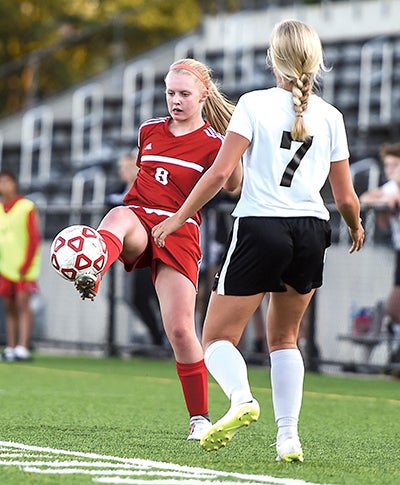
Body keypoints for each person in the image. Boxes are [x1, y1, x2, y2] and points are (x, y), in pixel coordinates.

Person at [152, 19, 365, 462]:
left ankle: (242, 398)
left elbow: (219, 174)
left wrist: (177, 218)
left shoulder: (254, 104)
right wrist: (356, 225)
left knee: (215, 339)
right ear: (316, 59)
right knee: (286, 339)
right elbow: (345, 196)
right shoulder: (331, 116)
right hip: (311, 229)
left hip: (260, 226)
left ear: (273, 58)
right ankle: (288, 438)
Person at [72, 58, 240, 440]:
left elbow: (232, 186)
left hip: (179, 229)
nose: (175, 101)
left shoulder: (215, 141)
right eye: (170, 93)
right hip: (140, 219)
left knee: (181, 330)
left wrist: (236, 142)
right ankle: (91, 269)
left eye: (184, 94)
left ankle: (199, 417)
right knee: (119, 213)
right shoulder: (149, 130)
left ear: (203, 95)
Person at [107, 151, 164, 347]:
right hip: (132, 252)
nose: (125, 170)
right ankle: (158, 337)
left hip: (154, 249)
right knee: (136, 297)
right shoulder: (117, 191)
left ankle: (166, 338)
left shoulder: (149, 188)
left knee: (159, 296)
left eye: (129, 165)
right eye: (122, 167)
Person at [360, 143, 400, 363]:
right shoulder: (391, 188)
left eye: (395, 165)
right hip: (398, 252)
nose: (390, 170)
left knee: (394, 307)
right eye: (387, 166)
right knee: (394, 310)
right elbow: (365, 198)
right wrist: (386, 201)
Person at [0, 170, 41, 362]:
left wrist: (26, 263)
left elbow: (34, 237)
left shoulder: (26, 207)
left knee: (23, 305)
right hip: (5, 266)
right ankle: (11, 345)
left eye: (6, 181)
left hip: (23, 267)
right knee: (9, 307)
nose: (3, 186)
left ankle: (23, 346)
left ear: (14, 183)